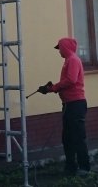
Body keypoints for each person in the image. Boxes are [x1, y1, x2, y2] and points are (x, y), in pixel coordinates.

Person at [38, 37, 90, 176]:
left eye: (60, 48)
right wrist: (50, 88)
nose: (59, 51)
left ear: (65, 48)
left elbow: (71, 80)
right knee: (67, 138)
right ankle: (70, 167)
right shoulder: (68, 60)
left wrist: (53, 88)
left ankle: (84, 168)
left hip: (75, 104)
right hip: (69, 104)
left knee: (78, 137)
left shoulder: (73, 60)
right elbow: (67, 81)